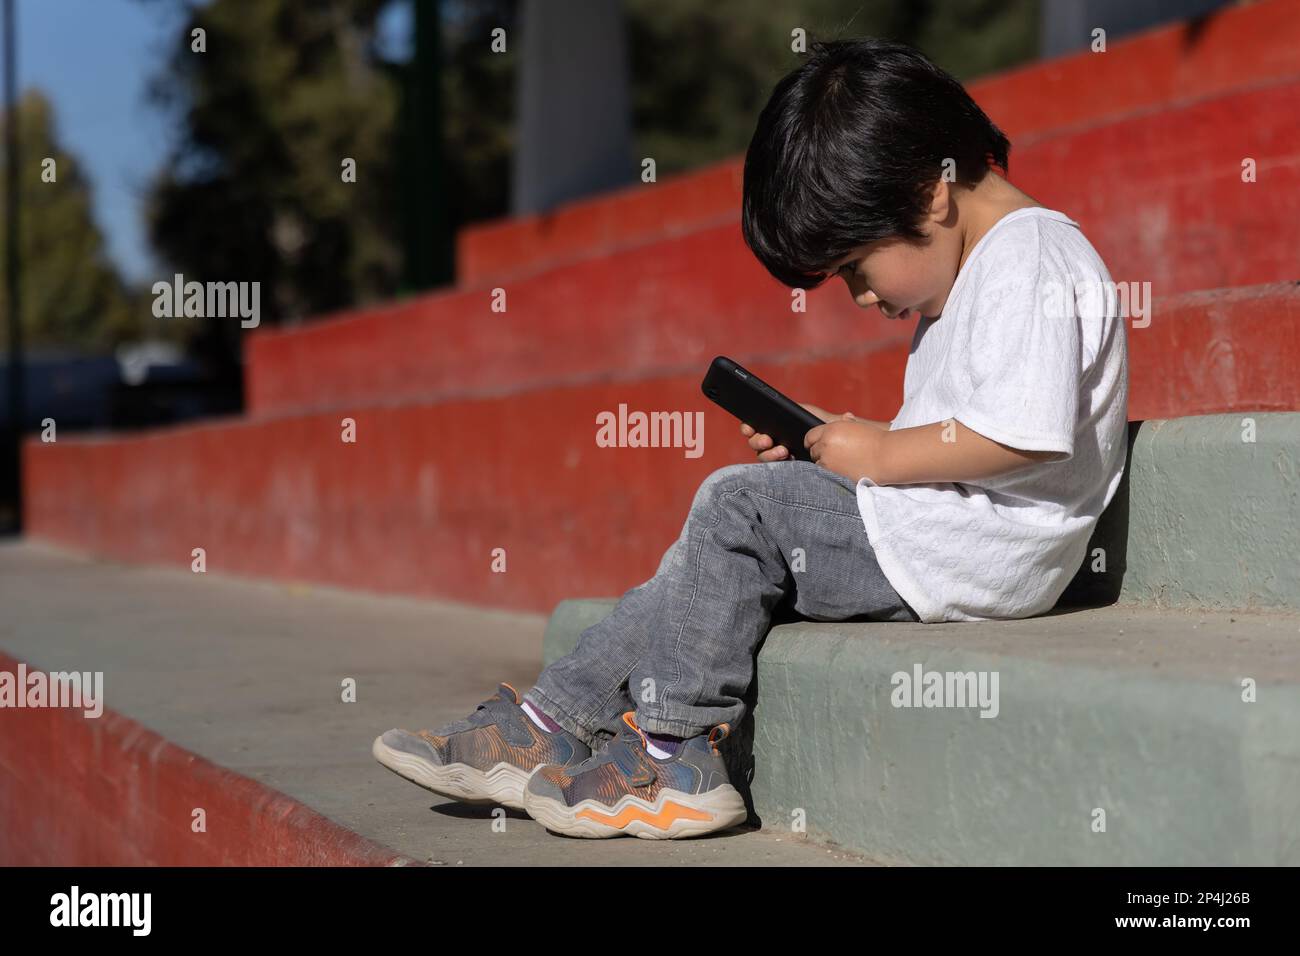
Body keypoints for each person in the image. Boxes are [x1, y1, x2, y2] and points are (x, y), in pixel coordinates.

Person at [373, 37, 1129, 840]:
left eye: (855, 268)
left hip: (977, 553)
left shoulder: (1032, 255)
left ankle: (679, 756)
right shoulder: (978, 267)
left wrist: (877, 455)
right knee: (698, 565)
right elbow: (958, 436)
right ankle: (547, 722)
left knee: (738, 506)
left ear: (931, 194)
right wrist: (833, 447)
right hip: (938, 531)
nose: (861, 297)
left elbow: (1031, 435)